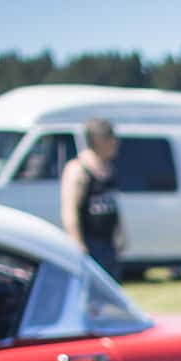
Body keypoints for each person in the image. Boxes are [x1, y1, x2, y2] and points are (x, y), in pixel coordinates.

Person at [61, 118, 125, 279]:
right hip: (90, 243)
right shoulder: (78, 169)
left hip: (107, 243)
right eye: (111, 139)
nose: (116, 143)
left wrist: (120, 234)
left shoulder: (108, 168)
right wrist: (78, 244)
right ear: (99, 141)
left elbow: (113, 205)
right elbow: (69, 210)